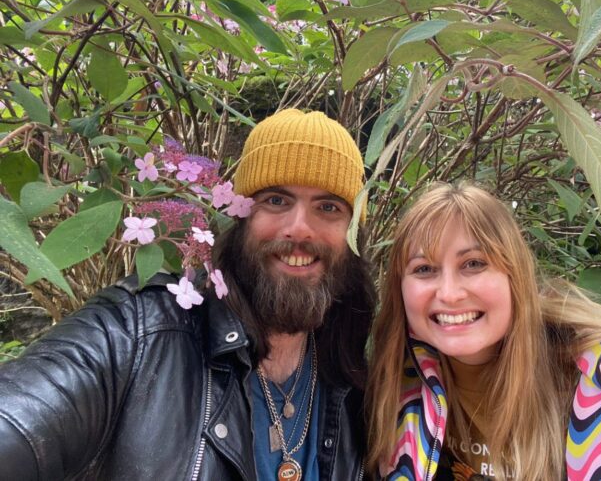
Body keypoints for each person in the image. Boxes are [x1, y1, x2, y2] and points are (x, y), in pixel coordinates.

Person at [0, 109, 376, 481]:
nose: (300, 229)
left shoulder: (358, 388)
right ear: (240, 215)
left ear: (352, 235)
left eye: (329, 207)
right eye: (276, 200)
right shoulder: (141, 335)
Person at [366, 182, 601, 481]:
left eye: (474, 263)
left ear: (516, 276)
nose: (448, 293)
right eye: (424, 269)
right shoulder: (395, 390)